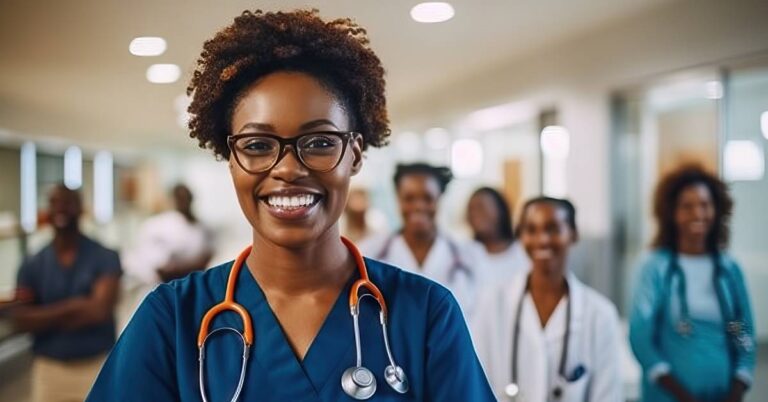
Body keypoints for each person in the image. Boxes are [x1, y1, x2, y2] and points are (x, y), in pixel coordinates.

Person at [87, 10, 494, 401]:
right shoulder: (172, 319)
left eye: (319, 143)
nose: (287, 169)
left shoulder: (424, 314)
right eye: (258, 146)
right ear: (231, 160)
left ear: (354, 154)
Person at [472, 197, 622, 401]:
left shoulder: (600, 315)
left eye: (553, 229)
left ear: (573, 234)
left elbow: (607, 396)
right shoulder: (491, 305)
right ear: (521, 236)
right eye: (531, 230)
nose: (542, 239)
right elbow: (476, 386)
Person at [629, 165, 755, 402]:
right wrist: (682, 395)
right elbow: (640, 338)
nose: (698, 214)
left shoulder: (729, 269)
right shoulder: (656, 267)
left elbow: (743, 331)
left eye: (705, 205)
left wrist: (739, 385)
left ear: (717, 210)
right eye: (687, 206)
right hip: (668, 395)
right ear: (671, 213)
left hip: (724, 394)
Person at [9, 184, 122, 402]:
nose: (61, 209)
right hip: (49, 371)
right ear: (47, 212)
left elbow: (98, 311)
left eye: (68, 203)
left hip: (96, 367)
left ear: (81, 209)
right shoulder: (33, 263)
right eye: (54, 203)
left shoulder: (105, 256)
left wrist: (44, 316)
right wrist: (75, 307)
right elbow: (20, 321)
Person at [359, 163, 483, 316]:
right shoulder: (369, 253)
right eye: (409, 198)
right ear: (398, 199)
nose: (418, 206)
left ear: (439, 199)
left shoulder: (469, 255)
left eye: (427, 198)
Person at [467, 186, 529, 284]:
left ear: (500, 210)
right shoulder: (466, 255)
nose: (474, 214)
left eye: (481, 207)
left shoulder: (523, 252)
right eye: (471, 210)